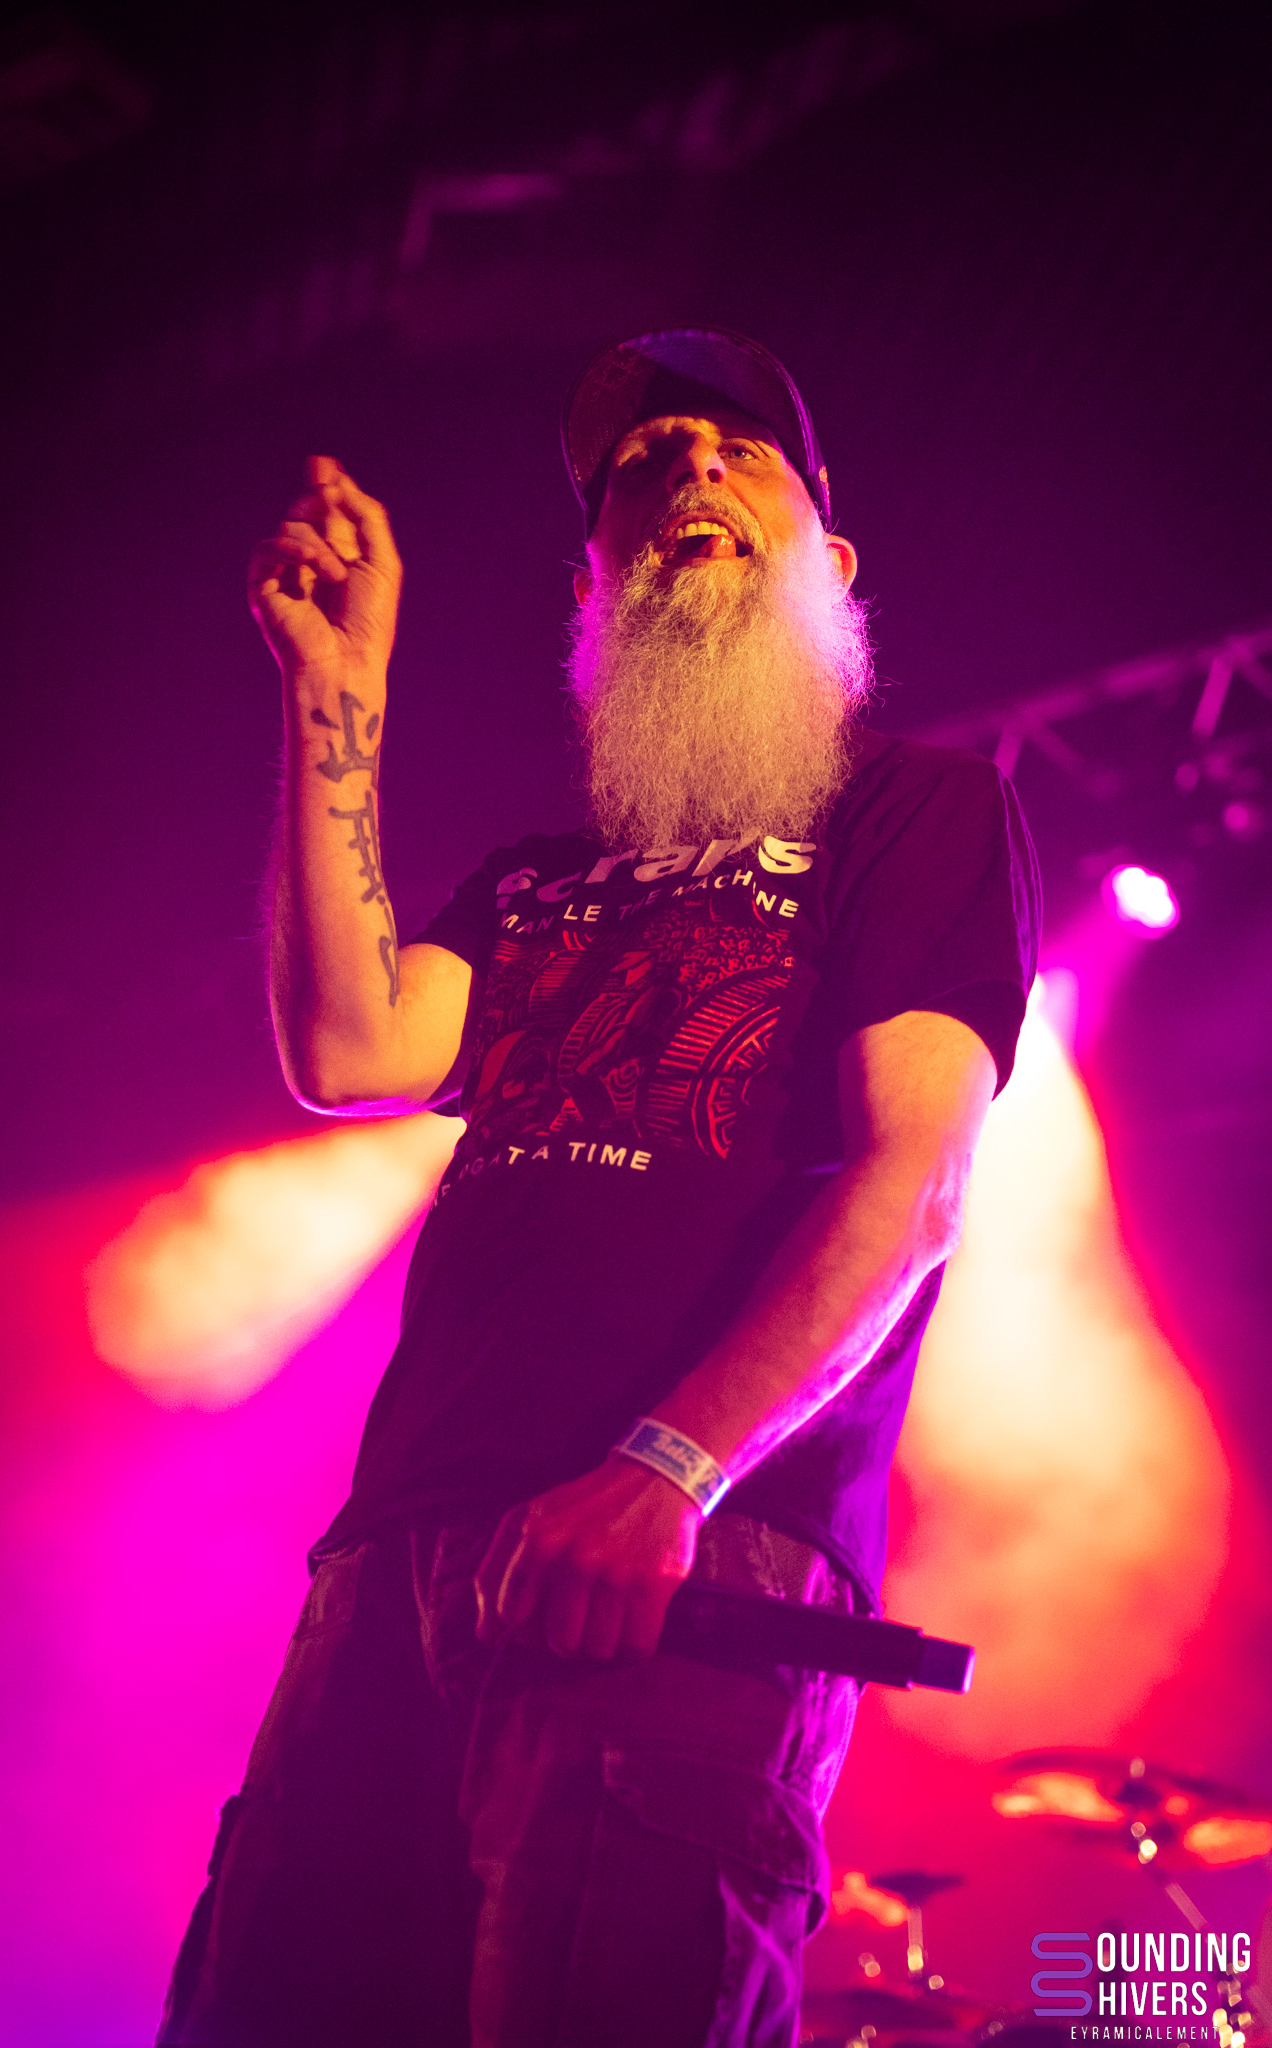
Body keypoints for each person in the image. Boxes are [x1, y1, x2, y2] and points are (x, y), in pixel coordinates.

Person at [157, 328, 1040, 2048]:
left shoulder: (913, 812)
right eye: (639, 465)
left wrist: (667, 1468)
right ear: (592, 584)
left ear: (831, 560)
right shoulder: (532, 882)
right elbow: (346, 1046)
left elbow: (914, 1181)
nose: (686, 467)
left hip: (691, 1554)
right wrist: (336, 688)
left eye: (735, 450)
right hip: (395, 1566)